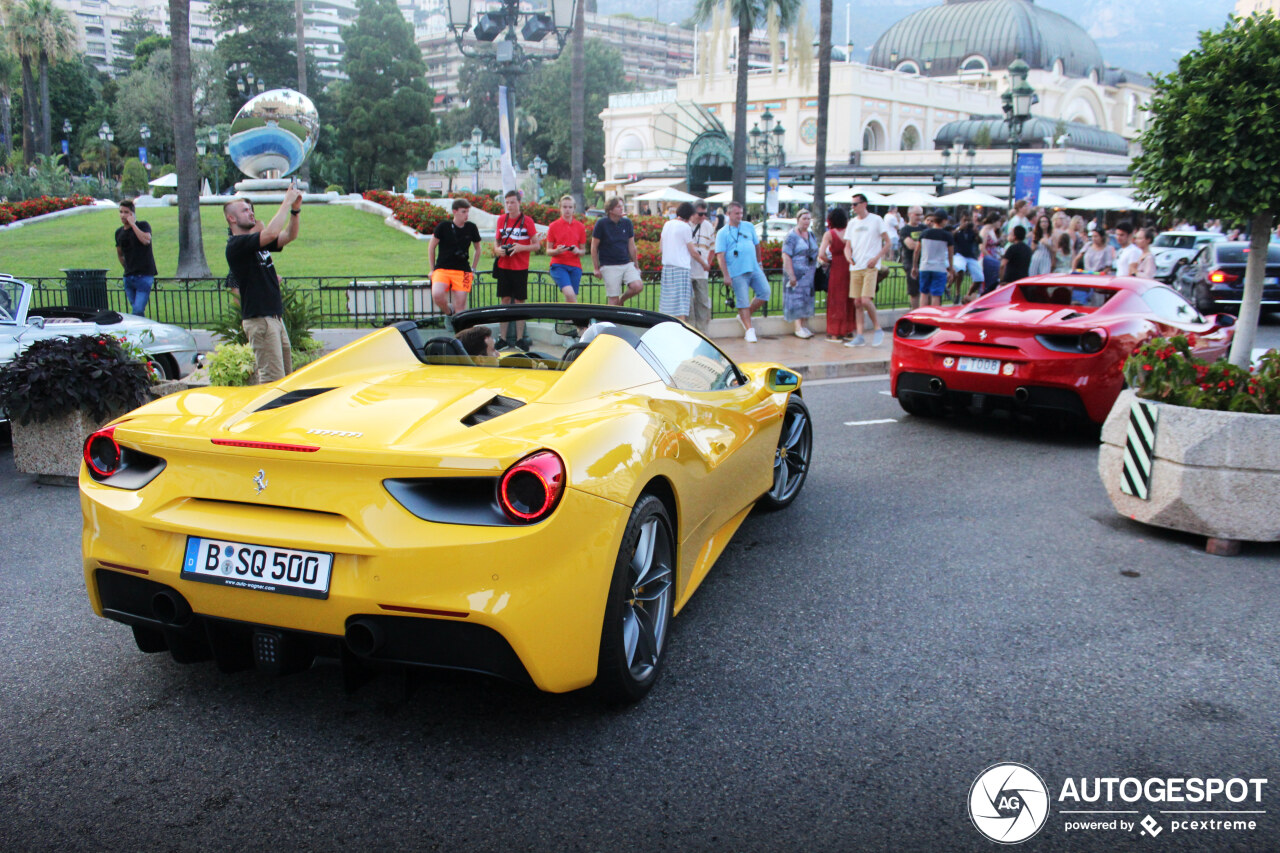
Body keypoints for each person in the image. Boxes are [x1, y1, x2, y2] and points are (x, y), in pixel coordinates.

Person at [224, 186, 303, 384]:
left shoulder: (255, 243)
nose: (250, 212)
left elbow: (289, 235)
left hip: (274, 318)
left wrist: (295, 210)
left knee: (286, 380)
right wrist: (286, 202)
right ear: (231, 219)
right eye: (244, 210)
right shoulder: (236, 245)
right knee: (272, 382)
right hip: (260, 321)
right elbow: (270, 233)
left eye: (251, 209)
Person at [714, 200, 769, 342]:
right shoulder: (722, 233)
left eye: (741, 213)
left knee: (765, 292)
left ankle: (744, 315)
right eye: (736, 213)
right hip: (737, 271)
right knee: (742, 301)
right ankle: (749, 329)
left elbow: (757, 246)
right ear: (728, 214)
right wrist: (726, 275)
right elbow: (720, 255)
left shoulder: (749, 226)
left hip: (754, 268)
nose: (739, 216)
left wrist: (760, 263)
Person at [843, 193, 891, 347]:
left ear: (864, 204)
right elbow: (847, 246)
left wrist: (876, 258)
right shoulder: (852, 223)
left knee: (865, 299)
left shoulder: (876, 220)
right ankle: (860, 335)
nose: (853, 207)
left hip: (870, 266)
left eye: (855, 204)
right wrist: (848, 257)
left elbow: (888, 242)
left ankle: (878, 328)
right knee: (857, 302)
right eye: (852, 204)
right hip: (856, 266)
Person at [494, 190, 541, 347]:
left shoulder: (527, 221)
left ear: (519, 203)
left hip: (520, 267)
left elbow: (537, 245)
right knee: (504, 300)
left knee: (520, 301)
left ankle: (520, 339)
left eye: (513, 202)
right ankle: (503, 338)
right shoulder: (502, 220)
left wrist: (521, 247)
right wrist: (498, 250)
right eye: (507, 202)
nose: (509, 205)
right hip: (504, 265)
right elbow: (496, 242)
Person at [427, 198, 482, 316]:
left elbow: (478, 249)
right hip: (442, 268)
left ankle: (460, 332)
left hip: (463, 270)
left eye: (467, 212)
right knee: (437, 294)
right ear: (455, 211)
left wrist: (473, 268)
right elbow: (431, 247)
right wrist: (432, 269)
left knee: (461, 306)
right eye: (463, 212)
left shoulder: (471, 227)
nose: (466, 215)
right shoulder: (443, 226)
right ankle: (448, 312)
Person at [658, 201, 709, 322]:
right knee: (681, 305)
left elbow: (660, 247)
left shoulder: (667, 224)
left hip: (667, 268)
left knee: (668, 303)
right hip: (681, 269)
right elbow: (693, 251)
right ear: (690, 215)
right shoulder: (685, 227)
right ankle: (681, 328)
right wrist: (704, 264)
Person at [591, 197, 643, 306]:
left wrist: (636, 266)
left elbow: (632, 246)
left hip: (626, 263)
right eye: (618, 207)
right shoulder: (602, 224)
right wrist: (596, 268)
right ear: (610, 210)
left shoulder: (627, 223)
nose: (621, 209)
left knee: (638, 285)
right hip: (609, 265)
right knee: (612, 299)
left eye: (621, 206)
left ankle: (622, 300)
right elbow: (594, 246)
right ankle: (612, 321)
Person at [115, 198, 156, 316]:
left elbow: (146, 240)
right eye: (121, 212)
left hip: (144, 275)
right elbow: (120, 254)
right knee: (137, 312)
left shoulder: (143, 225)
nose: (123, 215)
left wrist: (133, 224)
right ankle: (143, 331)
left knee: (137, 310)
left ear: (132, 213)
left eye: (126, 212)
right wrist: (127, 267)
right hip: (129, 277)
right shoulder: (119, 232)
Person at [781, 209, 818, 338]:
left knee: (806, 300)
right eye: (804, 219)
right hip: (796, 273)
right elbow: (786, 255)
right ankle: (797, 327)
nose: (807, 221)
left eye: (808, 219)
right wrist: (791, 275)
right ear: (798, 220)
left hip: (809, 274)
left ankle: (803, 325)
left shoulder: (811, 235)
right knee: (796, 299)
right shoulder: (791, 236)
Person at [819, 207, 852, 342]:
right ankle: (848, 331)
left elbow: (821, 254)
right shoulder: (850, 232)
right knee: (849, 300)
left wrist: (828, 261)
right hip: (850, 267)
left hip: (836, 268)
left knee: (835, 300)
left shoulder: (829, 234)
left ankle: (834, 332)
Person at [546, 195, 586, 304]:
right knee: (570, 294)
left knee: (570, 298)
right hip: (558, 264)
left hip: (575, 266)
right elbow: (548, 250)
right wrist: (556, 251)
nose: (567, 210)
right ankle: (580, 318)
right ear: (560, 208)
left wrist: (577, 251)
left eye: (570, 207)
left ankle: (569, 320)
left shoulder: (580, 227)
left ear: (574, 209)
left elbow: (583, 251)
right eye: (564, 207)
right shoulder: (553, 226)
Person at [912, 209, 954, 309]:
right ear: (943, 221)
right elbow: (950, 254)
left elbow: (917, 251)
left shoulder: (924, 233)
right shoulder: (947, 236)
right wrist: (951, 269)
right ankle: (933, 316)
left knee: (924, 292)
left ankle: (922, 316)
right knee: (936, 294)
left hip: (925, 266)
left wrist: (914, 266)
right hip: (939, 268)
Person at [687, 203, 716, 333]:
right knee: (688, 305)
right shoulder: (685, 225)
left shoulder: (708, 226)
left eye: (706, 214)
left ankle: (702, 332)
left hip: (701, 272)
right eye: (700, 214)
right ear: (693, 213)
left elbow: (712, 248)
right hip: (687, 270)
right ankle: (690, 331)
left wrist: (708, 264)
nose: (703, 217)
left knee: (703, 303)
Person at [898, 206, 926, 309]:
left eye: (921, 214)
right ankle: (915, 312)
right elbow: (910, 245)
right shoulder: (905, 229)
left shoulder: (924, 228)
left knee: (925, 289)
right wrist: (922, 245)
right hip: (910, 261)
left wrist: (917, 245)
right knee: (914, 290)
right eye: (917, 214)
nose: (920, 217)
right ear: (910, 214)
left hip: (924, 261)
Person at [952, 211, 985, 299]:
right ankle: (957, 292)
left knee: (980, 277)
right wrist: (959, 228)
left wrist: (976, 233)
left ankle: (968, 295)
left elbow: (980, 241)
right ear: (961, 220)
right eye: (964, 220)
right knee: (960, 268)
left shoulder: (972, 229)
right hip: (959, 253)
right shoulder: (956, 228)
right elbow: (951, 236)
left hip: (970, 255)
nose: (966, 222)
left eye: (968, 220)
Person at [979, 212, 1003, 294]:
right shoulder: (985, 230)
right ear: (993, 221)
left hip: (993, 257)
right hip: (987, 259)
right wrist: (990, 259)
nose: (1000, 223)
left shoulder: (992, 230)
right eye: (999, 221)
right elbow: (982, 247)